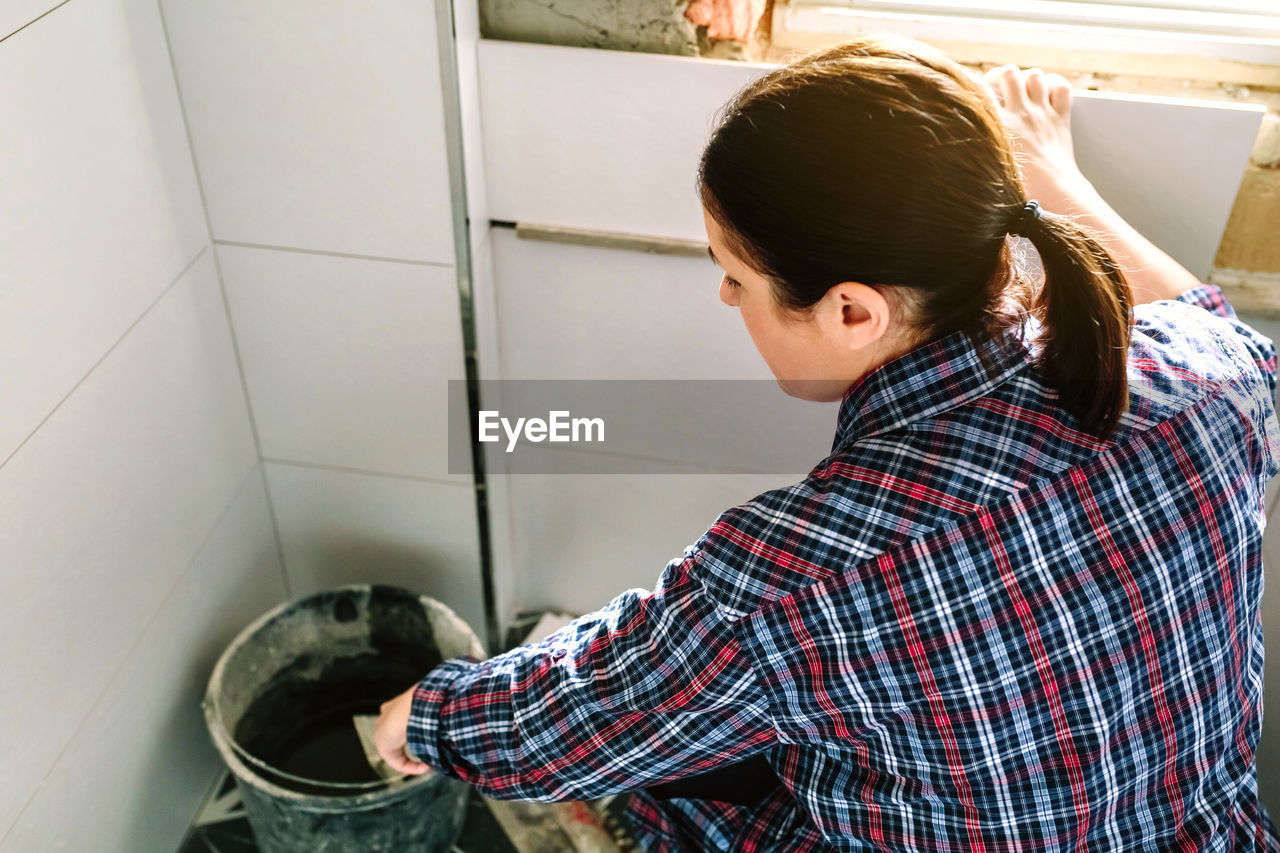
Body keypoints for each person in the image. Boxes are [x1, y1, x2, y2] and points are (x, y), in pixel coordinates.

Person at [374, 35, 1280, 851]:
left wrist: (425, 718)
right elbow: (1200, 317)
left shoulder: (800, 576)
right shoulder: (1210, 391)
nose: (726, 301)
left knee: (669, 757)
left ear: (853, 311)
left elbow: (581, 713)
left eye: (734, 277)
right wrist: (1049, 177)